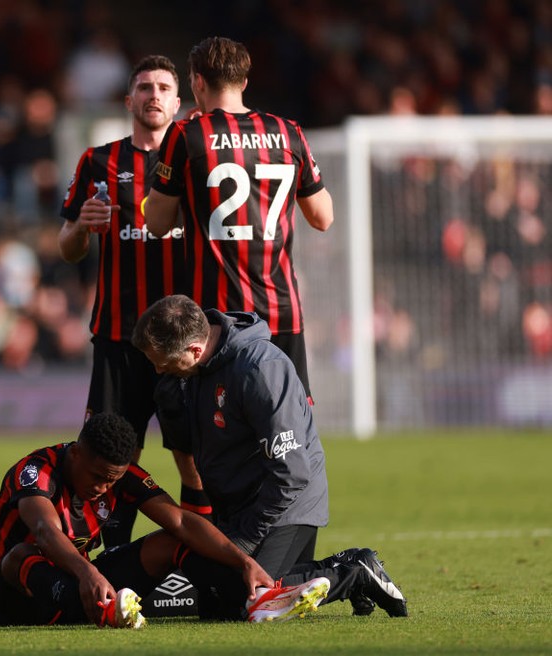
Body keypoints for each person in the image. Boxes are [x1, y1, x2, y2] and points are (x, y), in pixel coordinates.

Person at [132, 295, 409, 619]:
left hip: (285, 507)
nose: (158, 368)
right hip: (236, 507)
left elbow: (292, 474)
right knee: (212, 600)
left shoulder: (260, 369)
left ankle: (354, 572)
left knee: (244, 599)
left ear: (194, 350)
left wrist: (245, 542)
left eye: (162, 361)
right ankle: (299, 578)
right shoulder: (192, 371)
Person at [0, 411, 354, 627]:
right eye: (98, 477)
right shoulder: (36, 470)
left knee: (169, 542)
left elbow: (182, 522)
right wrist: (89, 573)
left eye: (112, 479)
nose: (103, 487)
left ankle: (256, 599)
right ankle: (106, 608)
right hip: (14, 598)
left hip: (81, 585)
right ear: (76, 454)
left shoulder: (119, 476)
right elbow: (44, 532)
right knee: (23, 553)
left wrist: (243, 562)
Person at [58, 55, 209, 547]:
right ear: (129, 100)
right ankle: (113, 551)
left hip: (182, 343)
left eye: (164, 87)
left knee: (191, 453)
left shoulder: (196, 159)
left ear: (178, 101)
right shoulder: (98, 162)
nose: (154, 95)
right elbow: (67, 246)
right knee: (111, 452)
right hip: (120, 334)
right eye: (144, 87)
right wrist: (82, 225)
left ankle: (198, 547)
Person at [144, 37, 335, 403]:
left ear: (197, 81)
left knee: (223, 430)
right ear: (244, 82)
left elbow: (157, 223)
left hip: (217, 318)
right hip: (280, 308)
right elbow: (323, 217)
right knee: (289, 422)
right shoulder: (288, 132)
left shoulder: (186, 135)